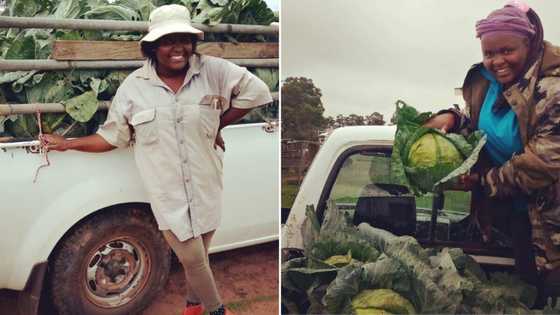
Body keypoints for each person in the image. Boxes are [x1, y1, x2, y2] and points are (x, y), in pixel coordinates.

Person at [42, 4, 272, 315]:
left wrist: (219, 122)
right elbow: (112, 137)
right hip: (169, 194)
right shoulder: (134, 88)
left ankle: (192, 307)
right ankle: (218, 310)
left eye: (184, 39)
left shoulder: (213, 70)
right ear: (152, 47)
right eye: (167, 41)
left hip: (206, 183)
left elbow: (257, 93)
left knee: (199, 256)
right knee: (192, 258)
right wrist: (68, 143)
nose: (178, 48)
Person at [425, 1, 560, 306]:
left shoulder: (553, 88)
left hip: (552, 229)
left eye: (507, 51)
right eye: (489, 53)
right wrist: (453, 118)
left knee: (550, 299)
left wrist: (482, 182)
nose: (497, 61)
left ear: (530, 43)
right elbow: (480, 122)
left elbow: (544, 162)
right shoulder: (488, 83)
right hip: (514, 219)